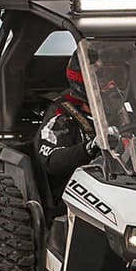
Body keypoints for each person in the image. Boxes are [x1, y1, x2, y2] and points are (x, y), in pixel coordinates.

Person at [36, 51, 100, 200]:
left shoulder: (126, 117)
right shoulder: (63, 117)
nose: (112, 83)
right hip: (74, 200)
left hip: (129, 188)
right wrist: (90, 148)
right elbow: (51, 160)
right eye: (102, 78)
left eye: (118, 76)